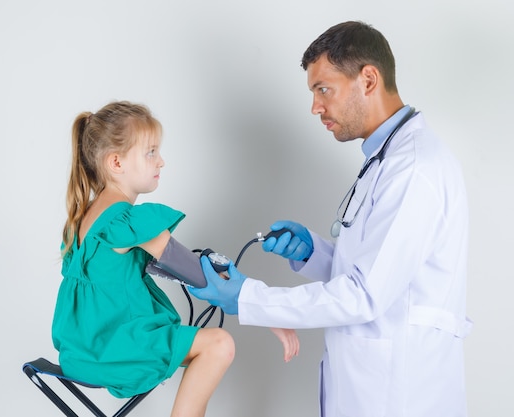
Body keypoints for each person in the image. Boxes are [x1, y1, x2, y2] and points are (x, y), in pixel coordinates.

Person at [190, 21, 472, 417]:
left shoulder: (412, 168)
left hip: (401, 395)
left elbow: (365, 294)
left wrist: (248, 297)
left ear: (368, 80)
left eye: (324, 89)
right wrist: (314, 254)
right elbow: (383, 272)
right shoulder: (386, 161)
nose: (315, 107)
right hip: (375, 388)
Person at [51, 101, 237, 417]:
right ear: (116, 162)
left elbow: (126, 271)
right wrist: (242, 292)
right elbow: (193, 271)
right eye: (150, 152)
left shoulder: (88, 215)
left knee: (203, 346)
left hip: (83, 351)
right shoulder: (126, 222)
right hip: (112, 351)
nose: (161, 161)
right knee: (219, 343)